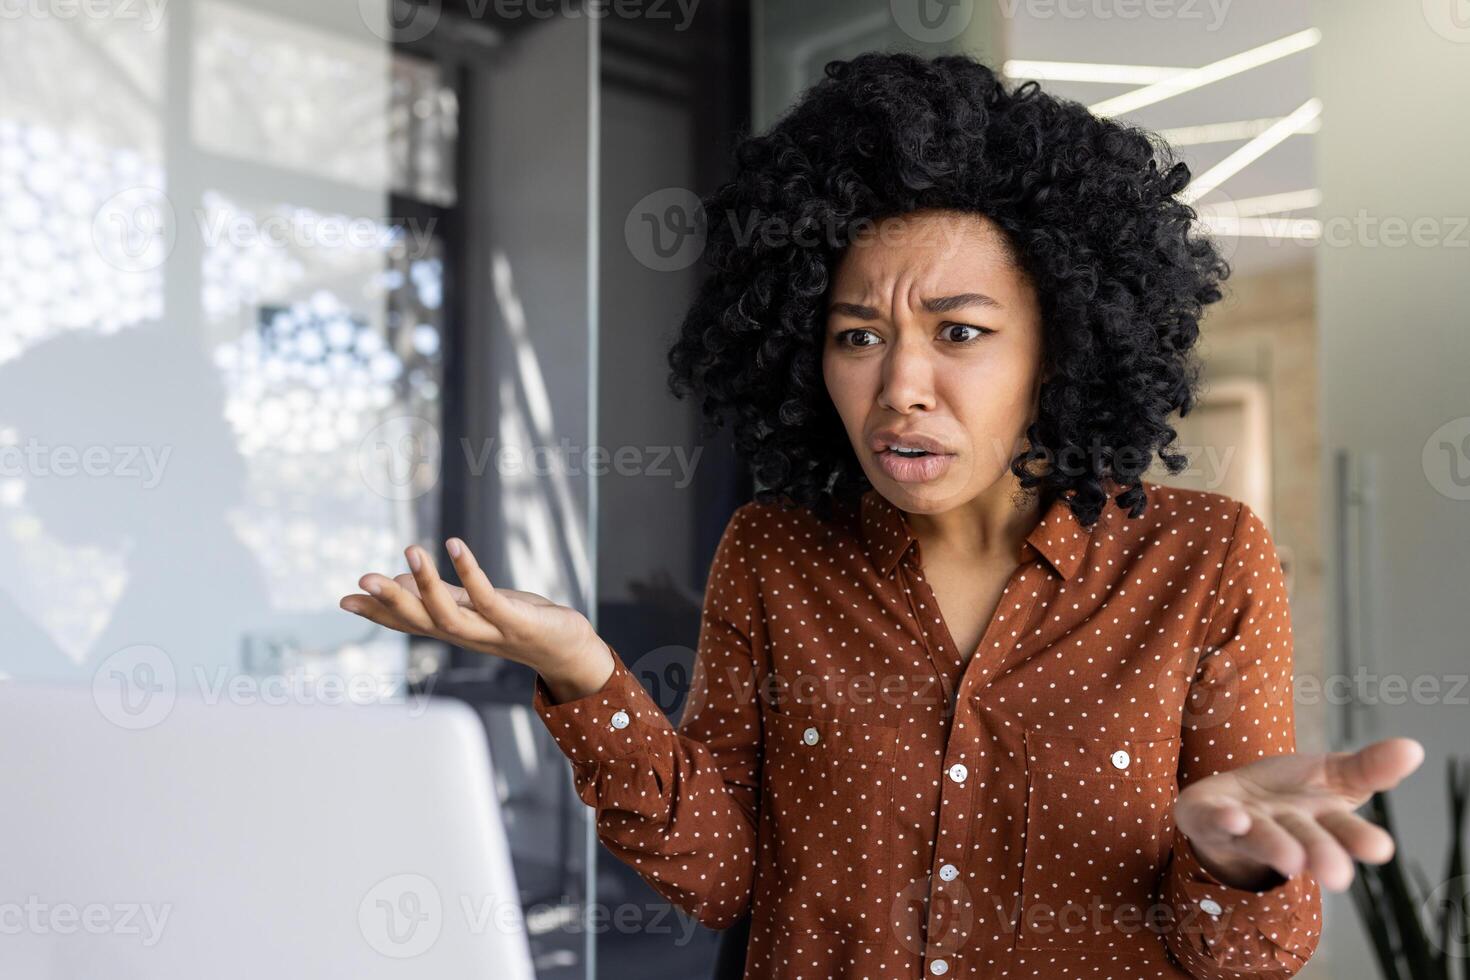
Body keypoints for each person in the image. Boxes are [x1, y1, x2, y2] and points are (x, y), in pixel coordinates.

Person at [340, 51, 1423, 979]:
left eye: (959, 333)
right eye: (858, 335)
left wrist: (1232, 858)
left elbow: (1248, 954)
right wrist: (585, 672)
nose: (900, 384)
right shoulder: (773, 553)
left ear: (1059, 348)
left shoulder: (1202, 557)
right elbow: (723, 879)